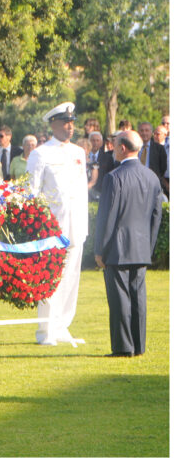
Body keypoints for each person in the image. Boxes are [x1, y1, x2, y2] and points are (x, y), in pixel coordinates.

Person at [93, 130, 163, 357]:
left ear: (123, 147)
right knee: (138, 298)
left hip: (117, 248)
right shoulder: (151, 176)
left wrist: (99, 249)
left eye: (114, 143)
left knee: (119, 299)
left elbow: (107, 217)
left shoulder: (114, 177)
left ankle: (123, 347)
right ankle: (139, 345)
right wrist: (149, 246)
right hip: (141, 248)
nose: (112, 147)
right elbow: (156, 216)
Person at [26, 102, 88, 346]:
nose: (70, 126)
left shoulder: (78, 153)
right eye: (65, 122)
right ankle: (46, 331)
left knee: (71, 278)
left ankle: (62, 326)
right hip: (52, 226)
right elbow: (32, 193)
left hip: (76, 224)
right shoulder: (41, 153)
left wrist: (84, 225)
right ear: (53, 124)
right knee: (50, 278)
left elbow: (82, 191)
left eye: (72, 122)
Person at [137, 121, 168, 196]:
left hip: (153, 185)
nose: (144, 133)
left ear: (151, 133)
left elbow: (163, 168)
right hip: (136, 184)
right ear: (138, 133)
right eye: (142, 130)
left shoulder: (159, 148)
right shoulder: (134, 148)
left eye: (147, 130)